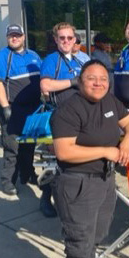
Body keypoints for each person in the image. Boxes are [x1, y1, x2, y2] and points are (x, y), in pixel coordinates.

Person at [51, 59, 129, 258]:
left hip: (105, 182)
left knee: (95, 239)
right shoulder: (68, 110)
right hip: (77, 186)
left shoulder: (110, 100)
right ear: (80, 80)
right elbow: (64, 152)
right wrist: (106, 151)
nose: (98, 83)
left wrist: (127, 141)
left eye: (103, 78)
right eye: (92, 78)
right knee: (79, 249)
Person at [40, 22, 86, 216]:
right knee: (55, 161)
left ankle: (74, 200)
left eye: (69, 38)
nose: (66, 41)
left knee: (77, 162)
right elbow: (45, 86)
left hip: (82, 118)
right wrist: (72, 82)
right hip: (60, 118)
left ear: (75, 40)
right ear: (56, 40)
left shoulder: (80, 61)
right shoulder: (52, 60)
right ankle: (45, 198)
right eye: (62, 38)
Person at [0, 24, 41, 196]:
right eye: (11, 35)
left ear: (23, 37)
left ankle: (27, 175)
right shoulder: (2, 57)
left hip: (33, 110)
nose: (15, 38)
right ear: (7, 37)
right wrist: (5, 107)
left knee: (29, 146)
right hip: (12, 109)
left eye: (17, 35)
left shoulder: (33, 56)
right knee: (12, 148)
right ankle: (8, 181)